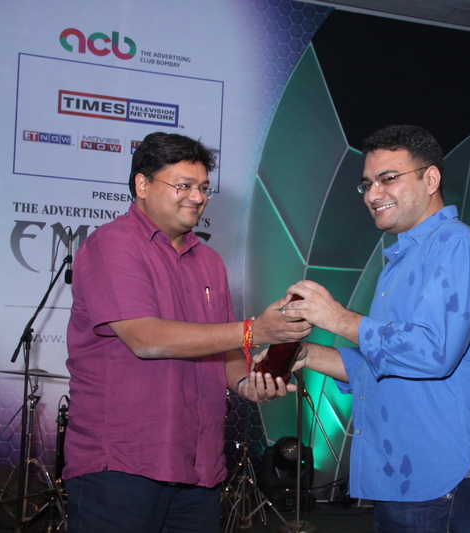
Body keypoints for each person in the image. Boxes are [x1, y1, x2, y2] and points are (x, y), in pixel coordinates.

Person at [63, 132, 310, 533]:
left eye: (203, 188)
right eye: (184, 185)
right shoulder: (112, 245)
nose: (197, 197)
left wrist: (248, 383)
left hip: (199, 466)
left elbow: (227, 349)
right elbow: (146, 339)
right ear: (142, 184)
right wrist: (254, 329)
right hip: (123, 465)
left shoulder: (209, 261)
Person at [278, 125, 470, 533]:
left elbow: (432, 352)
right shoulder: (400, 260)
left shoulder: (454, 244)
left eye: (387, 178)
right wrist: (306, 353)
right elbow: (383, 366)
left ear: (430, 179)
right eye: (367, 184)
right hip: (404, 478)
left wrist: (338, 318)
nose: (372, 194)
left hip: (440, 476)